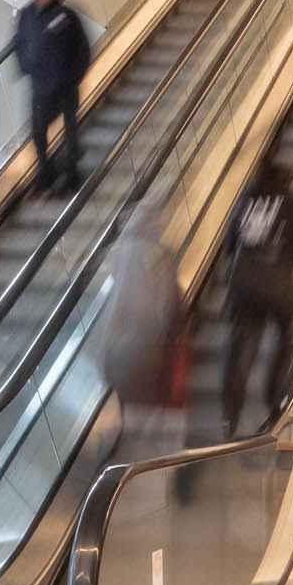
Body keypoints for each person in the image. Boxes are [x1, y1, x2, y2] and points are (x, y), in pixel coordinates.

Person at [221, 159, 293, 438]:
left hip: (242, 288)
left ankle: (229, 416)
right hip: (277, 288)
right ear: (285, 181)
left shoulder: (244, 204)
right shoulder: (291, 202)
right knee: (285, 338)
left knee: (242, 349)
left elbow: (229, 247)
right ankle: (275, 400)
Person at [100, 196, 191, 458]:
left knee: (131, 407)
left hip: (113, 348)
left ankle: (127, 456)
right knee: (162, 410)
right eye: (162, 222)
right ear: (153, 225)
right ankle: (162, 464)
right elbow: (172, 308)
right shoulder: (160, 256)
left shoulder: (117, 252)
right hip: (147, 348)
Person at [11, 0, 90, 198]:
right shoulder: (27, 16)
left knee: (70, 131)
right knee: (37, 133)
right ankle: (45, 179)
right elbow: (19, 44)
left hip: (65, 87)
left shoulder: (67, 16)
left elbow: (82, 50)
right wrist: (27, 67)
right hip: (40, 87)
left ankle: (72, 178)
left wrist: (72, 77)